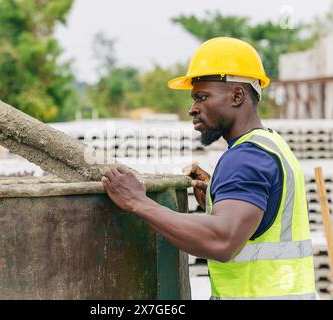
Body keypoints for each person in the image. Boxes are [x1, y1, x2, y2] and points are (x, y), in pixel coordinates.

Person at [101, 37, 316, 300]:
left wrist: (138, 202)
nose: (193, 109)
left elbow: (222, 241)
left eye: (202, 97)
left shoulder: (245, 159)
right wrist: (219, 198)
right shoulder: (270, 144)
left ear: (237, 95)